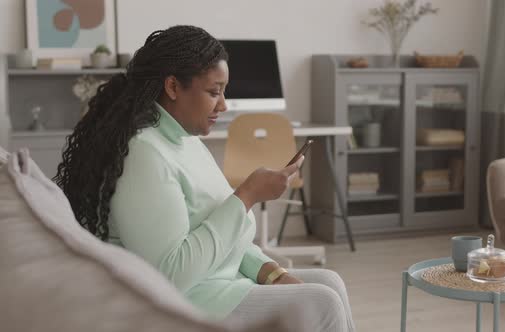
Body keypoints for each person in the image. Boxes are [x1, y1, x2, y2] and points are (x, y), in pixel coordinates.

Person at [54, 25, 354, 331]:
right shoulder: (144, 153)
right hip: (189, 301)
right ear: (172, 87)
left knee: (330, 281)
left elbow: (223, 231)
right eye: (214, 92)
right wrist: (247, 195)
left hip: (220, 280)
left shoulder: (186, 140)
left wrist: (271, 272)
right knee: (322, 302)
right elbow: (170, 274)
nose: (223, 105)